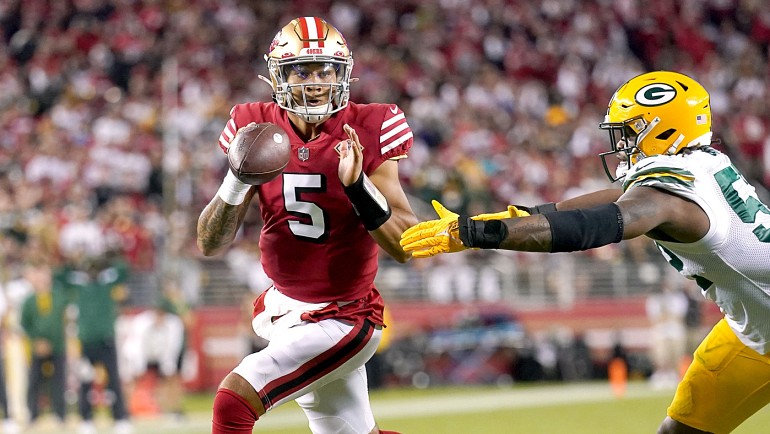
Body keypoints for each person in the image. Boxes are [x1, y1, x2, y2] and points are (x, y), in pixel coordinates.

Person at [400, 70, 770, 434]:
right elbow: (612, 198)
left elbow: (596, 225)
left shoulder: (666, 197)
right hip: (752, 328)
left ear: (666, 130)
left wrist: (479, 233)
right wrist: (525, 215)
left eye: (631, 131)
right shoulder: (697, 163)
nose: (622, 143)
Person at [197, 16, 418, 434]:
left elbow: (405, 244)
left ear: (342, 75)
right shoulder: (253, 124)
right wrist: (236, 179)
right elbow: (210, 243)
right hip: (286, 308)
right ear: (278, 76)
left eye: (325, 71)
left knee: (233, 402)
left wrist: (358, 187)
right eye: (301, 71)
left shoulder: (370, 125)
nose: (314, 83)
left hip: (343, 315)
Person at [55, 253, 133, 434]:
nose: (92, 271)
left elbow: (123, 270)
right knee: (85, 381)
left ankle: (120, 418)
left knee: (113, 380)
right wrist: (70, 262)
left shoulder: (106, 281)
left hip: (106, 339)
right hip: (86, 341)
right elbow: (59, 276)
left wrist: (112, 256)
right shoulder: (79, 283)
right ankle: (86, 419)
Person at [19, 261, 68, 427]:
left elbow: (62, 321)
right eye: (39, 275)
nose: (42, 279)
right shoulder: (29, 301)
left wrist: (54, 341)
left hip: (57, 346)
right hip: (37, 347)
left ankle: (60, 414)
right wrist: (36, 341)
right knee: (34, 381)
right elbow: (25, 324)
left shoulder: (59, 296)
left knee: (59, 381)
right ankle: (32, 414)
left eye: (45, 275)